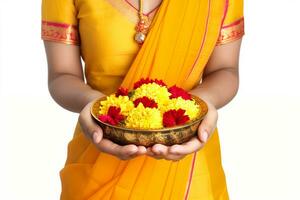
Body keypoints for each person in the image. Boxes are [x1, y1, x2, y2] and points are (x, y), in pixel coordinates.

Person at [42, 0, 244, 199]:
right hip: (99, 159)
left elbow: (224, 69)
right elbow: (62, 74)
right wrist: (96, 106)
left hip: (191, 171)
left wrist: (194, 106)